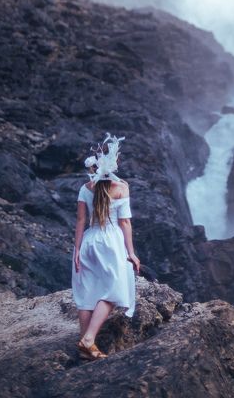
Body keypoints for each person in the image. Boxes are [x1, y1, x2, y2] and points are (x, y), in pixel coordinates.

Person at [71, 133, 140, 360]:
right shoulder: (121, 188)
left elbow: (81, 221)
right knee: (114, 289)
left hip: (89, 240)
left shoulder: (85, 188)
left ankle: (84, 347)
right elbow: (125, 222)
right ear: (113, 162)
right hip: (110, 242)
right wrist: (131, 253)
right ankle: (89, 339)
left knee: (88, 291)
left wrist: (76, 250)